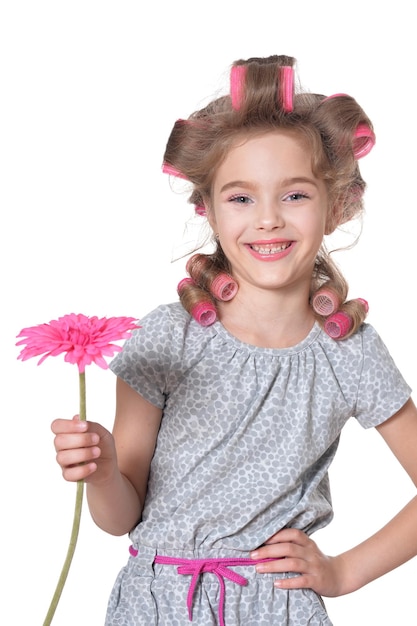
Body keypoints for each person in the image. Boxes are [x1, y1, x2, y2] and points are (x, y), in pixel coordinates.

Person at [51, 55, 417, 626]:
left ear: (335, 205)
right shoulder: (168, 337)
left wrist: (345, 571)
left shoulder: (348, 352)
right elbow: (120, 516)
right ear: (209, 210)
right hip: (156, 606)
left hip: (278, 609)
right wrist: (101, 472)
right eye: (241, 198)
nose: (267, 219)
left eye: (294, 195)